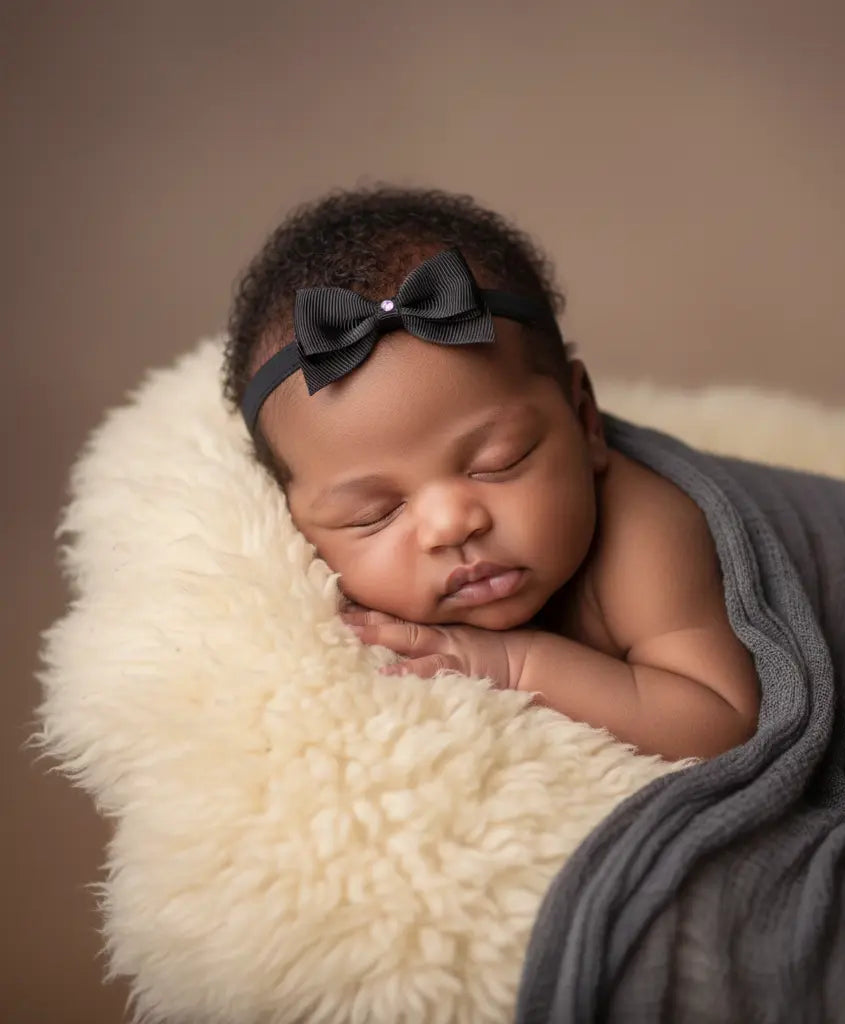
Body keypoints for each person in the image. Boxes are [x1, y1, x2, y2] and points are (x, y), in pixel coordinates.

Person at [222, 186, 761, 762]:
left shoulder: (647, 528)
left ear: (585, 423)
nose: (451, 524)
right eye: (373, 514)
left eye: (499, 463)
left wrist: (513, 664)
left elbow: (719, 722)